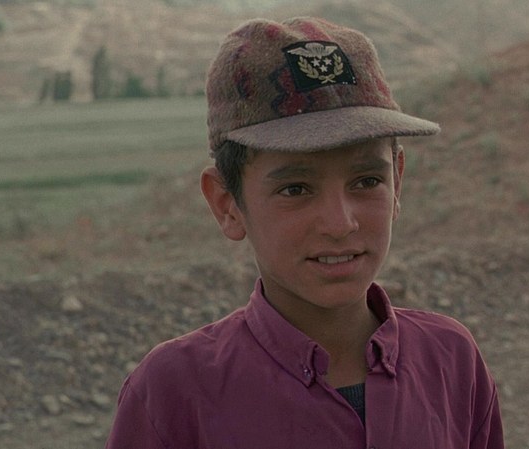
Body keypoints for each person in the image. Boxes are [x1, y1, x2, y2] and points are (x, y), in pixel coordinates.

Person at [105, 16, 504, 449]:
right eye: (295, 189)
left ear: (398, 181)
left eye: (367, 181)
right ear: (227, 204)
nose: (340, 223)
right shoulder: (174, 392)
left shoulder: (450, 359)